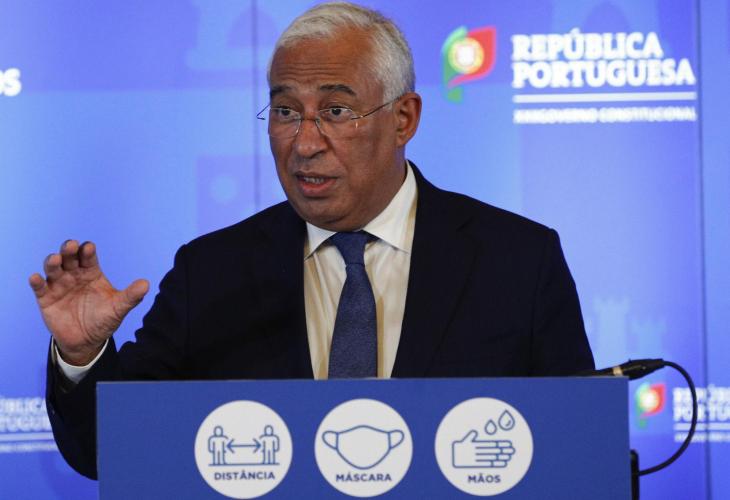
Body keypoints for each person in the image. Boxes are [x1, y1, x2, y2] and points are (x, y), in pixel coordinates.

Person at [29, 2, 594, 480]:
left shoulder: (518, 260)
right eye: (285, 111)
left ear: (403, 119)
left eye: (335, 111)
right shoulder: (213, 271)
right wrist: (83, 356)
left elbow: (574, 451)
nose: (303, 143)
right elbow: (110, 452)